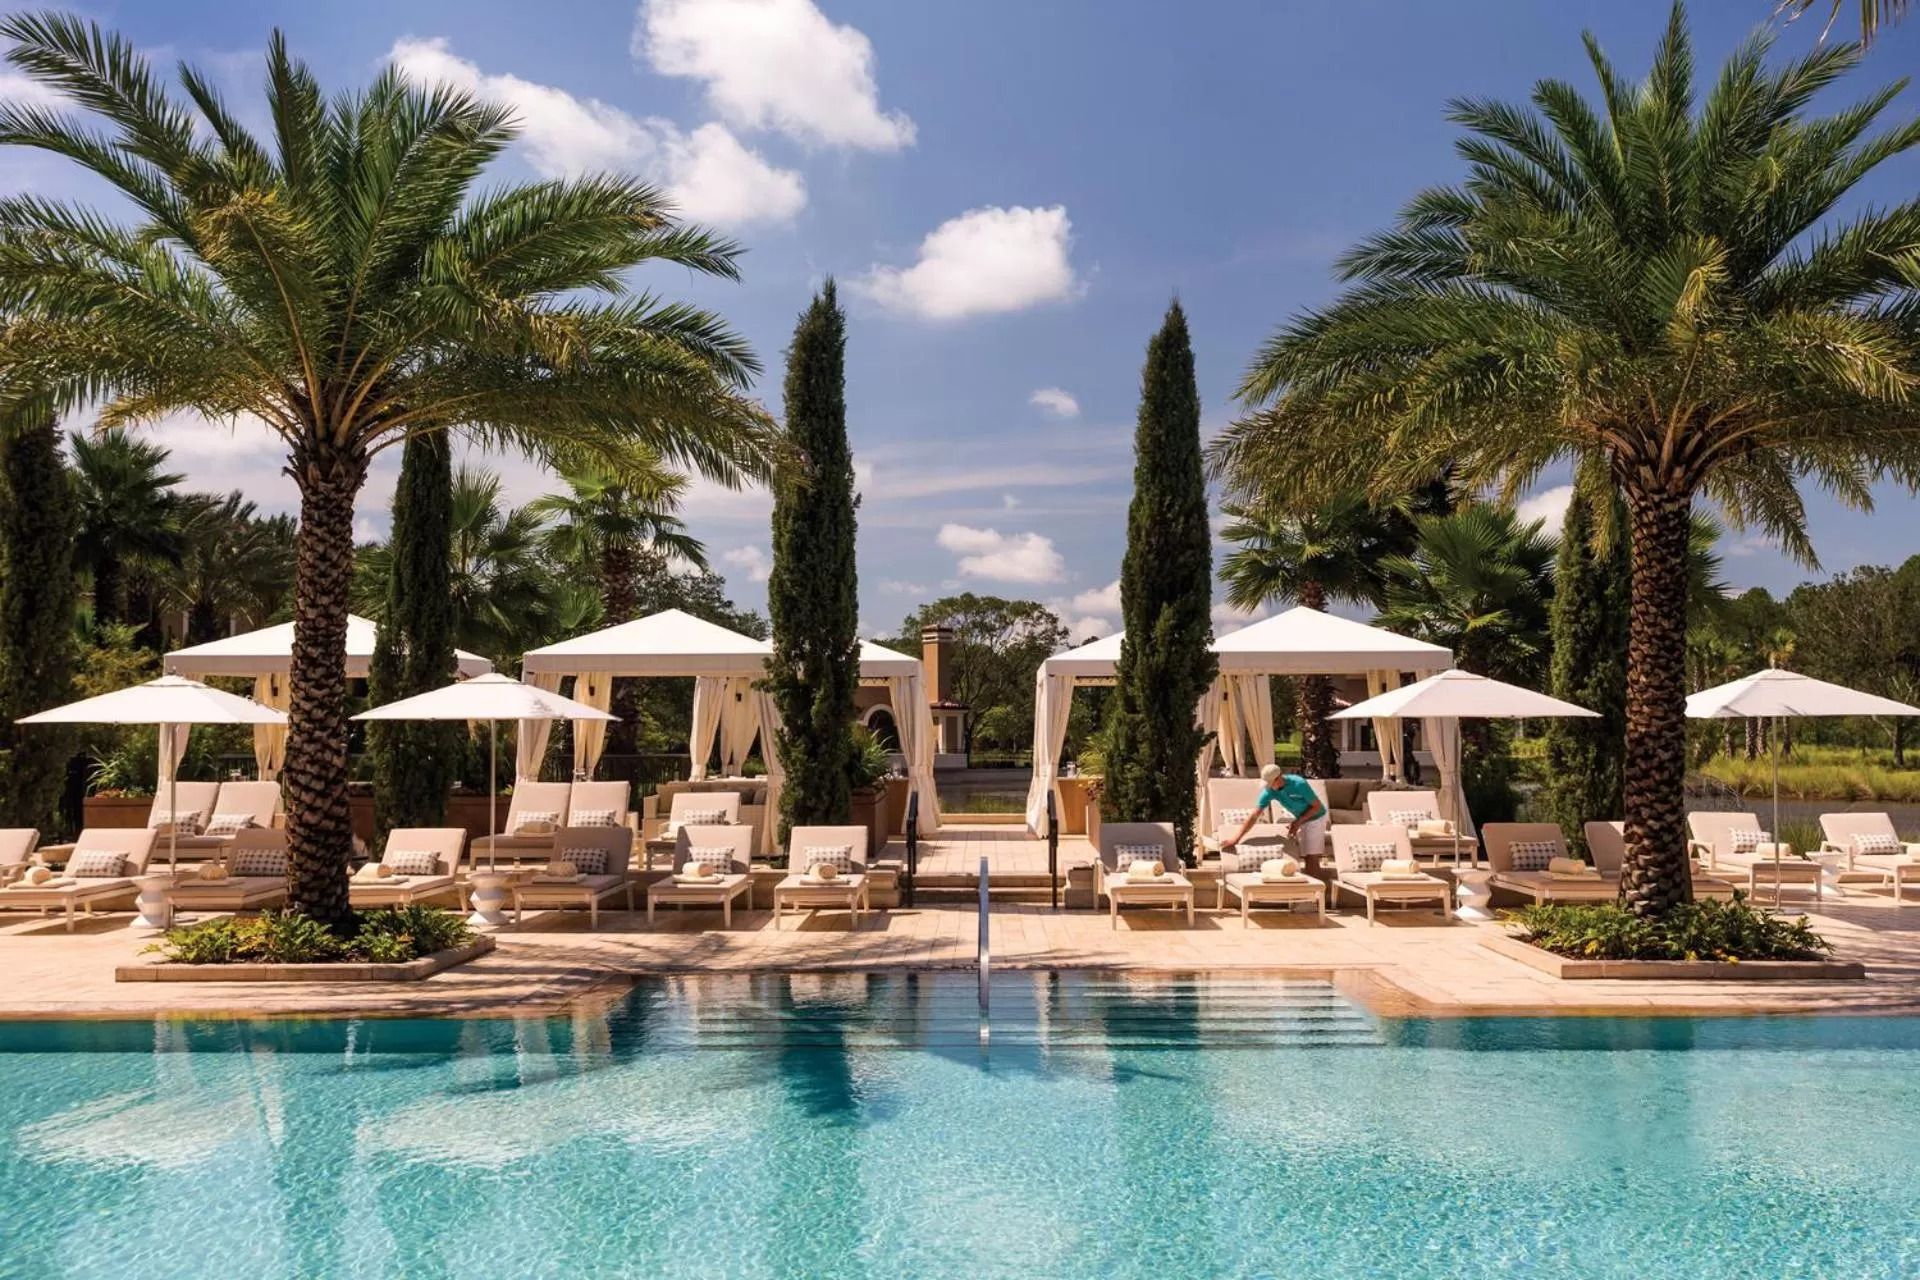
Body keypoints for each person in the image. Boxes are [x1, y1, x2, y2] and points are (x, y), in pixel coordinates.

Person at [1220, 763, 1328, 859]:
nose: (1269, 787)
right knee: (1305, 856)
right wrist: (1236, 839)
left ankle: (1318, 881)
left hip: (1316, 817)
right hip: (1301, 818)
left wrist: (1298, 822)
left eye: (1271, 783)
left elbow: (1316, 806)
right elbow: (1254, 815)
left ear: (1279, 777)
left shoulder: (1299, 784)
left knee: (1312, 857)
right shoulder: (1269, 791)